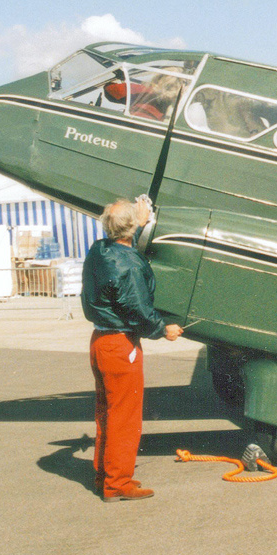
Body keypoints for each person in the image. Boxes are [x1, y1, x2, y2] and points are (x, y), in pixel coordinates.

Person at [82, 198, 184, 502]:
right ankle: (117, 484)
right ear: (129, 228)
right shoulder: (127, 263)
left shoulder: (99, 251)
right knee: (125, 417)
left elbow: (121, 250)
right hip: (120, 345)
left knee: (107, 412)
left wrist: (134, 222)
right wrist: (163, 330)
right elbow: (137, 308)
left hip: (100, 340)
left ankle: (105, 475)